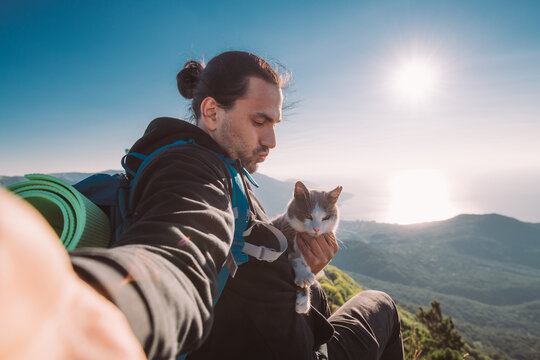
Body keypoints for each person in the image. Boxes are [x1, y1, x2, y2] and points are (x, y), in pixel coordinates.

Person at [0, 51, 404, 360]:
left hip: (268, 329)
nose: (271, 142)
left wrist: (300, 272)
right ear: (211, 111)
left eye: (275, 125)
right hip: (278, 348)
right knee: (381, 304)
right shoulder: (194, 170)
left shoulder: (211, 162)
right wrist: (73, 315)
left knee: (319, 297)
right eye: (260, 122)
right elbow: (177, 255)